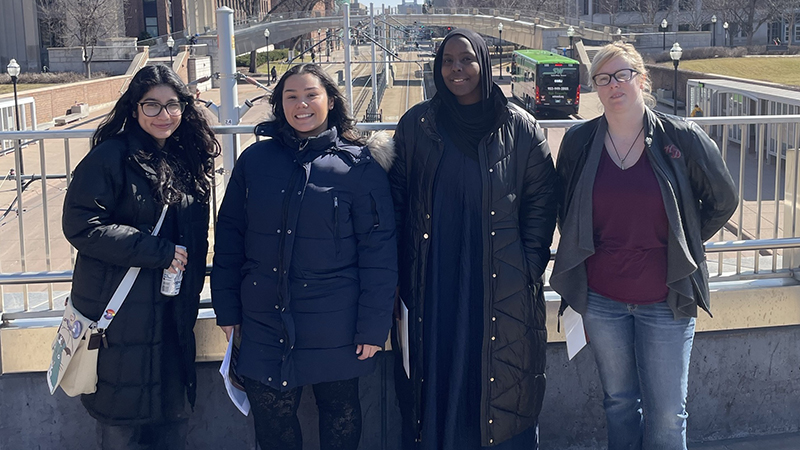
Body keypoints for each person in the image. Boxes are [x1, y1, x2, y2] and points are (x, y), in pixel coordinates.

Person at [550, 42, 738, 450]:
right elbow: (565, 208)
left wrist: (682, 242)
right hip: (602, 301)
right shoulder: (581, 142)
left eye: (622, 75)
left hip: (666, 300)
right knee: (618, 403)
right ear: (595, 87)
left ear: (641, 78)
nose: (613, 85)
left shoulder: (683, 138)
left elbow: (724, 200)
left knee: (668, 416)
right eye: (603, 78)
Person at [211, 63, 397, 450]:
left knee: (340, 412)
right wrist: (226, 309)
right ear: (279, 105)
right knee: (272, 423)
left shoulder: (359, 167)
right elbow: (230, 235)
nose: (302, 105)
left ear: (330, 101)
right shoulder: (255, 162)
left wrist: (373, 325)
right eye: (291, 96)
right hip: (263, 317)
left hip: (337, 321)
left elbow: (379, 251)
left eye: (311, 95)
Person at [390, 29, 558, 450]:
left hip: (499, 281)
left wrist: (528, 267)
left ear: (483, 62)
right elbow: (396, 201)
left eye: (466, 59)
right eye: (447, 61)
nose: (456, 69)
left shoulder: (522, 128)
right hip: (434, 278)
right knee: (437, 373)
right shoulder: (417, 125)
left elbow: (541, 205)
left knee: (498, 377)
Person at [62, 64, 220, 449]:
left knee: (171, 427)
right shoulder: (110, 158)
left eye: (172, 105)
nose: (164, 115)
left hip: (171, 314)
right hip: (119, 317)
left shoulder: (189, 158)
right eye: (152, 106)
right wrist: (159, 252)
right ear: (134, 109)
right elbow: (82, 225)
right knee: (122, 428)